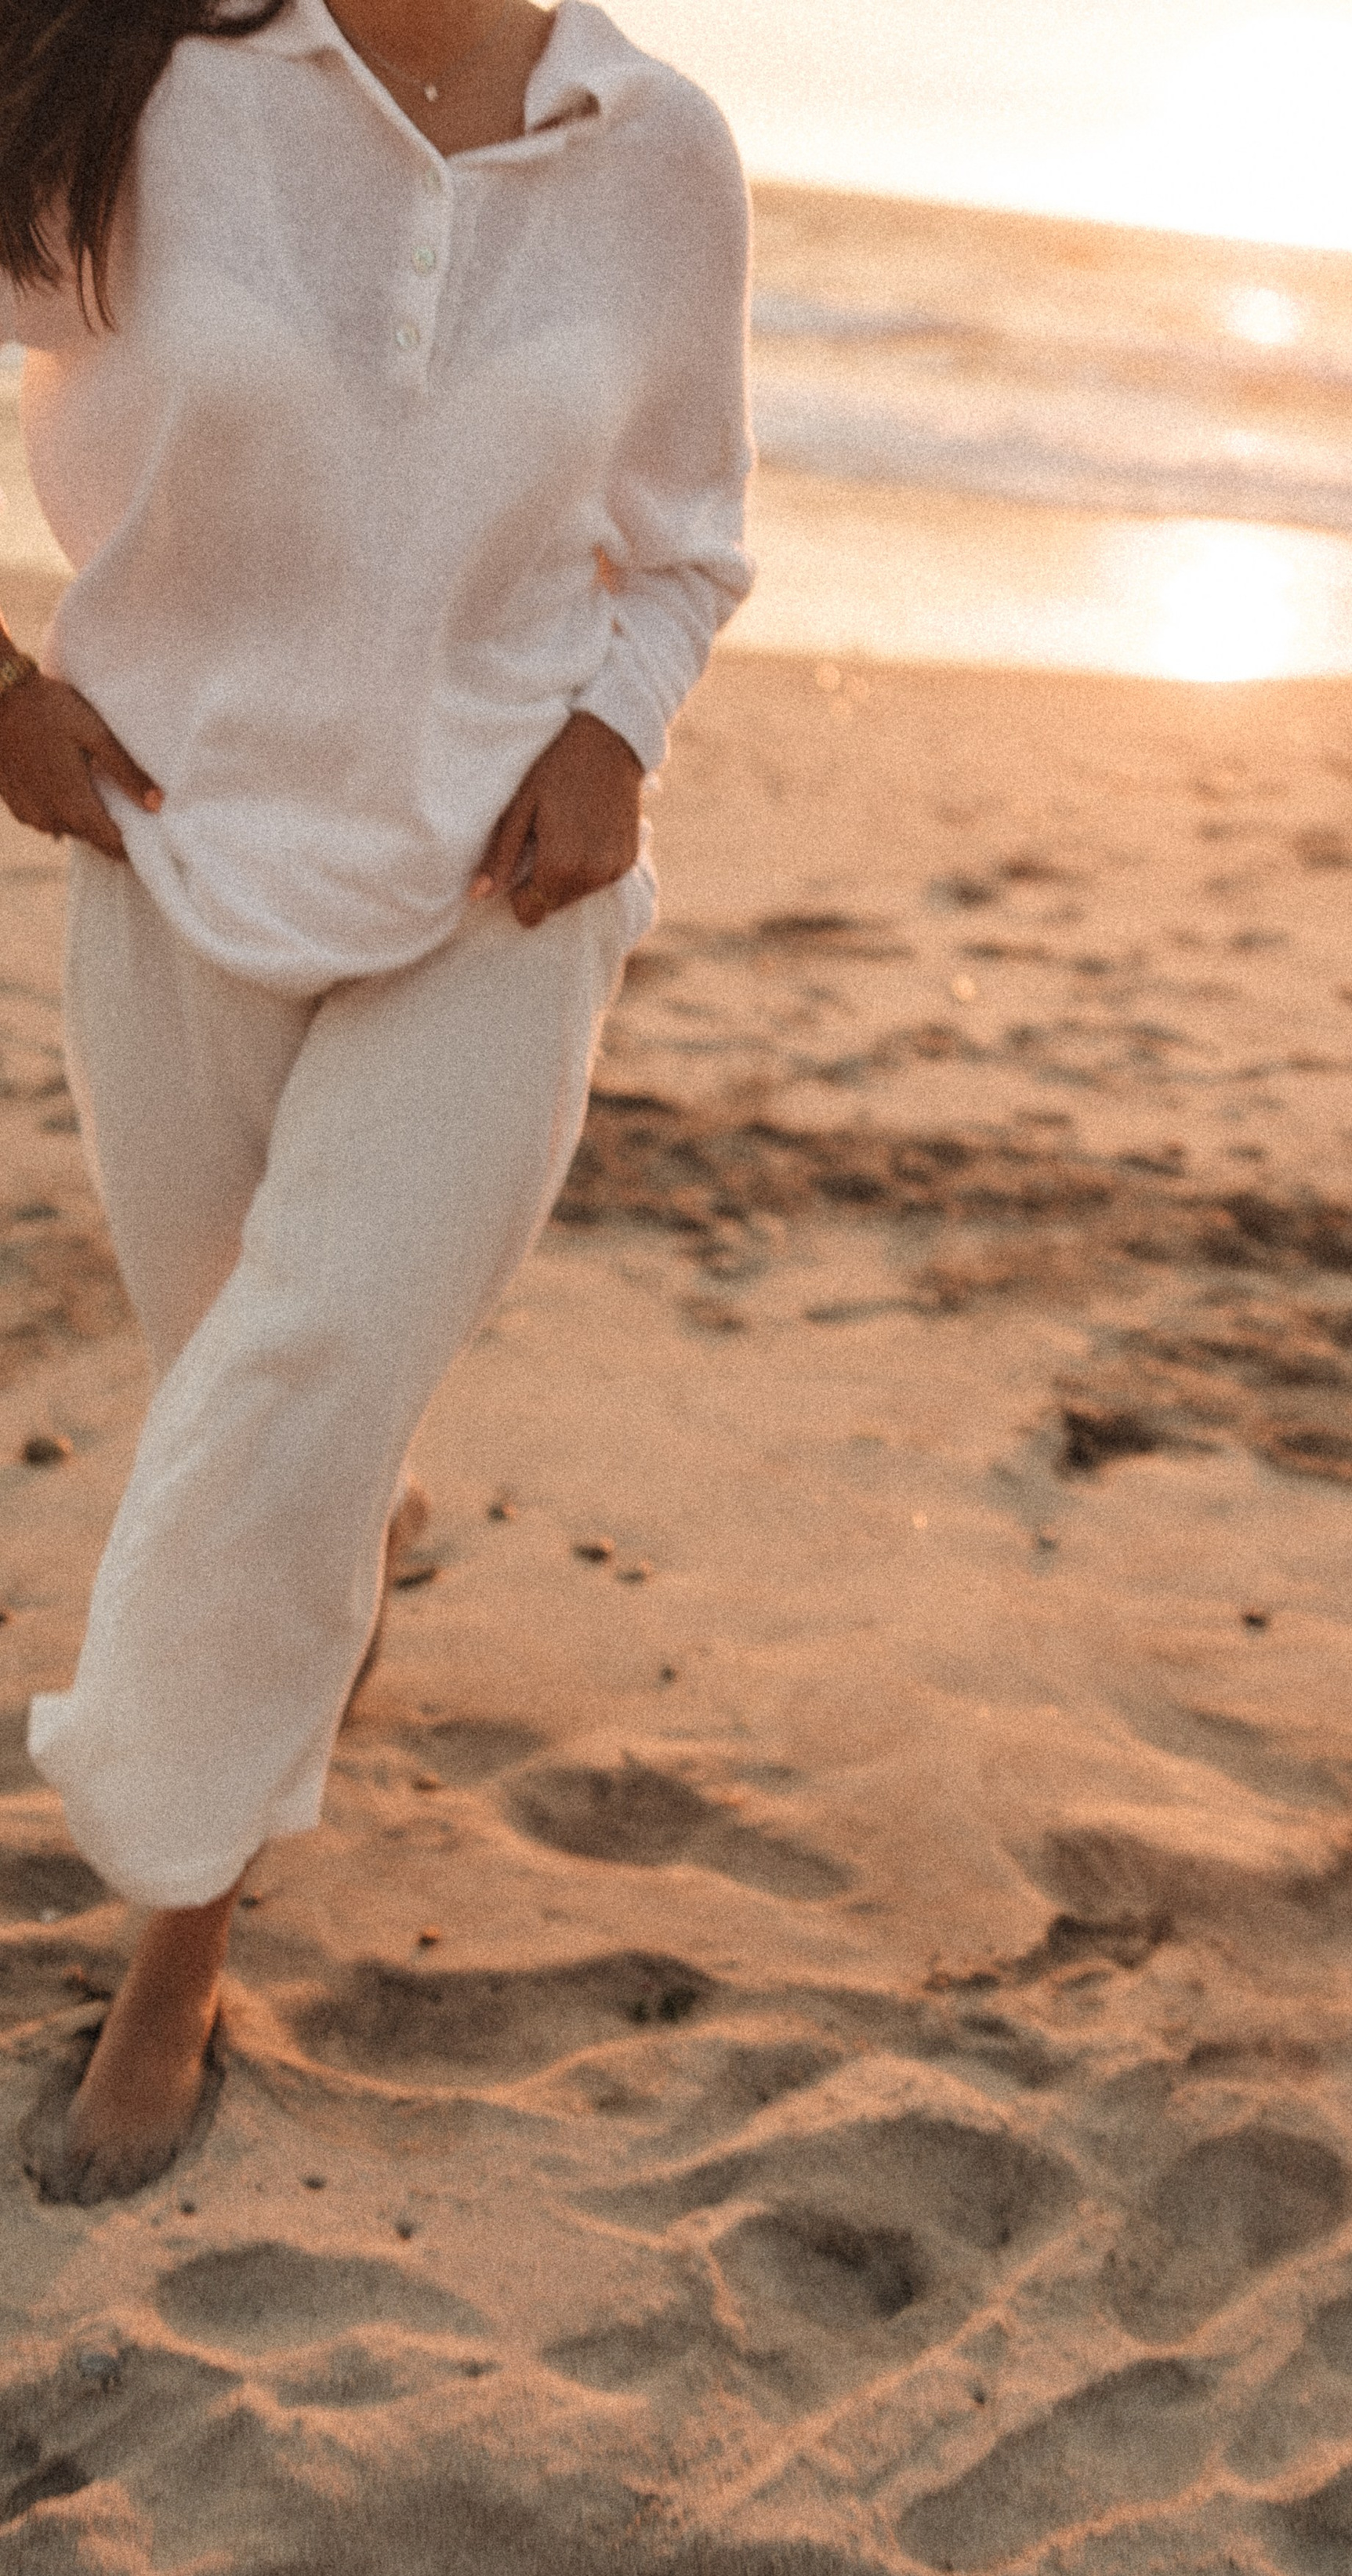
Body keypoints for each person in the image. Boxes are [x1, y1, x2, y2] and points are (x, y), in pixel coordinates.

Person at [0, 0, 752, 2201]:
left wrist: (617, 725)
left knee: (295, 1388)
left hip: (492, 896)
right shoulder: (144, 77)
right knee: (242, 1387)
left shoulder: (658, 148)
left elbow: (691, 536)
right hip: (170, 859)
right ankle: (349, 1555)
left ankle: (177, 1936)